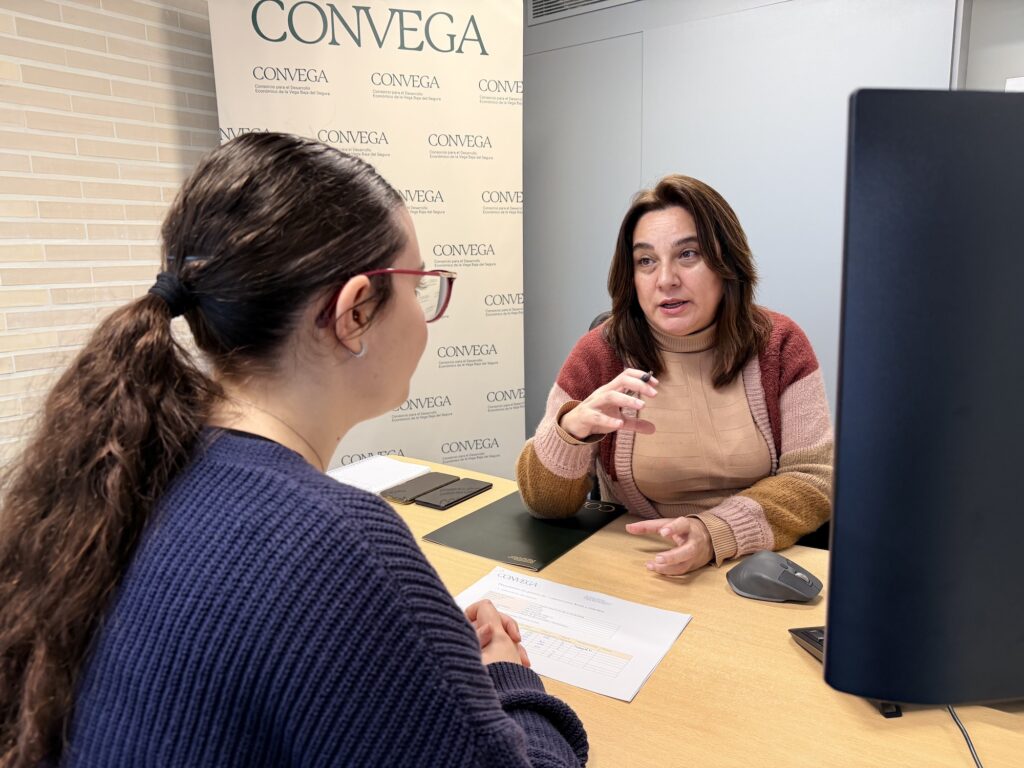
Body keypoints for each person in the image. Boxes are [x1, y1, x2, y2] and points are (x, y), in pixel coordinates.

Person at [0, 133, 588, 767]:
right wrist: (506, 675)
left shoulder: (138, 468)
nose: (425, 314)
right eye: (418, 286)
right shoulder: (338, 546)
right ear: (354, 312)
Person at [517, 175, 832, 577]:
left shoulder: (780, 344)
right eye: (646, 261)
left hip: (756, 565)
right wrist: (570, 432)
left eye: (688, 254)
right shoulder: (600, 353)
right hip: (643, 565)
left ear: (726, 264)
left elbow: (812, 478)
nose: (665, 279)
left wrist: (714, 533)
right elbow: (544, 505)